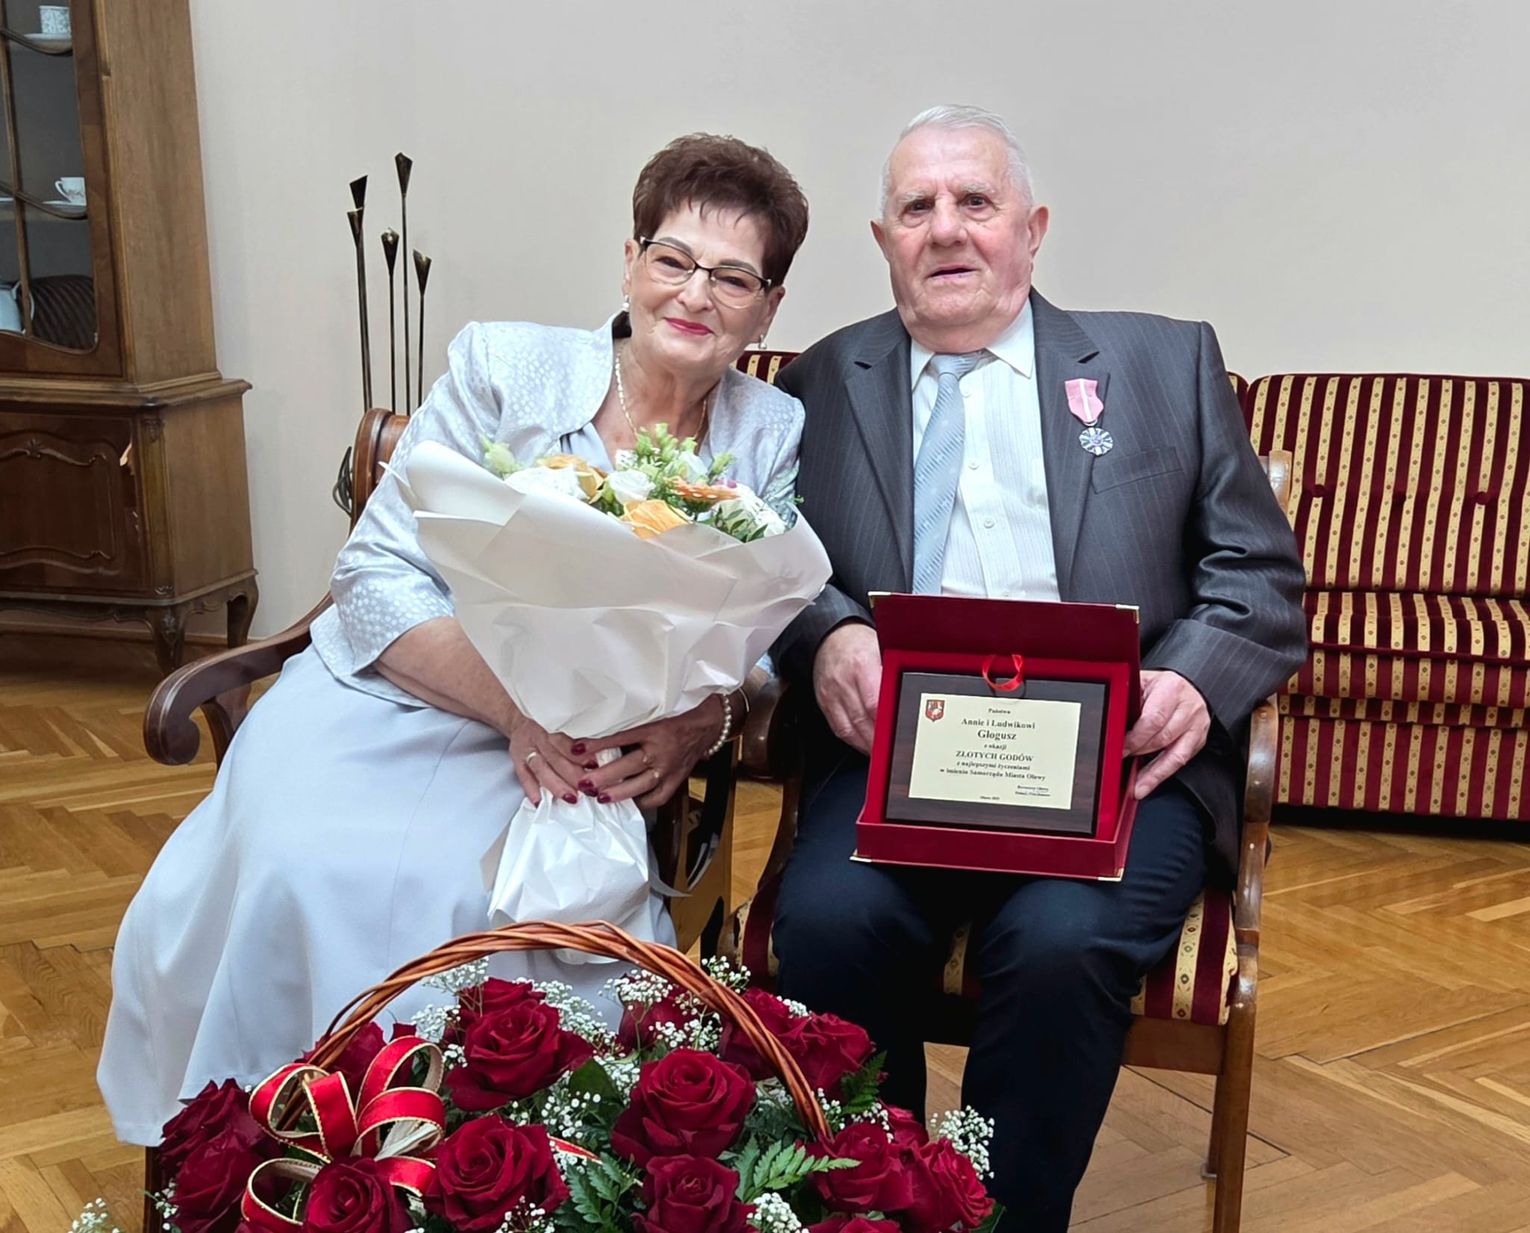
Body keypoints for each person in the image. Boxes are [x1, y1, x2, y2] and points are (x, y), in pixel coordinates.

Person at [98, 133, 810, 1146]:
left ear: (768, 307)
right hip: (400, 692)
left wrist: (702, 719)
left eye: (734, 277)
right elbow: (373, 575)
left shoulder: (768, 429)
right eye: (673, 259)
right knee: (302, 860)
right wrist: (516, 709)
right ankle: (268, 1140)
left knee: (481, 900)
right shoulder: (502, 366)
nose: (696, 294)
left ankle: (469, 1164)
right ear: (630, 261)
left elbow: (760, 632)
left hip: (580, 748)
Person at [769, 105, 1306, 1231]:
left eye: (977, 201)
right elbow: (767, 560)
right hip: (900, 766)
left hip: (1117, 769)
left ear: (1033, 228)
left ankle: (1001, 1217)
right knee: (827, 924)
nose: (946, 228)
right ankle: (881, 1204)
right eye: (917, 206)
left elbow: (1258, 578)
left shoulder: (1164, 363)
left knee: (1062, 943)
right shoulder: (818, 382)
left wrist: (1192, 681)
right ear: (883, 240)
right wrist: (828, 633)